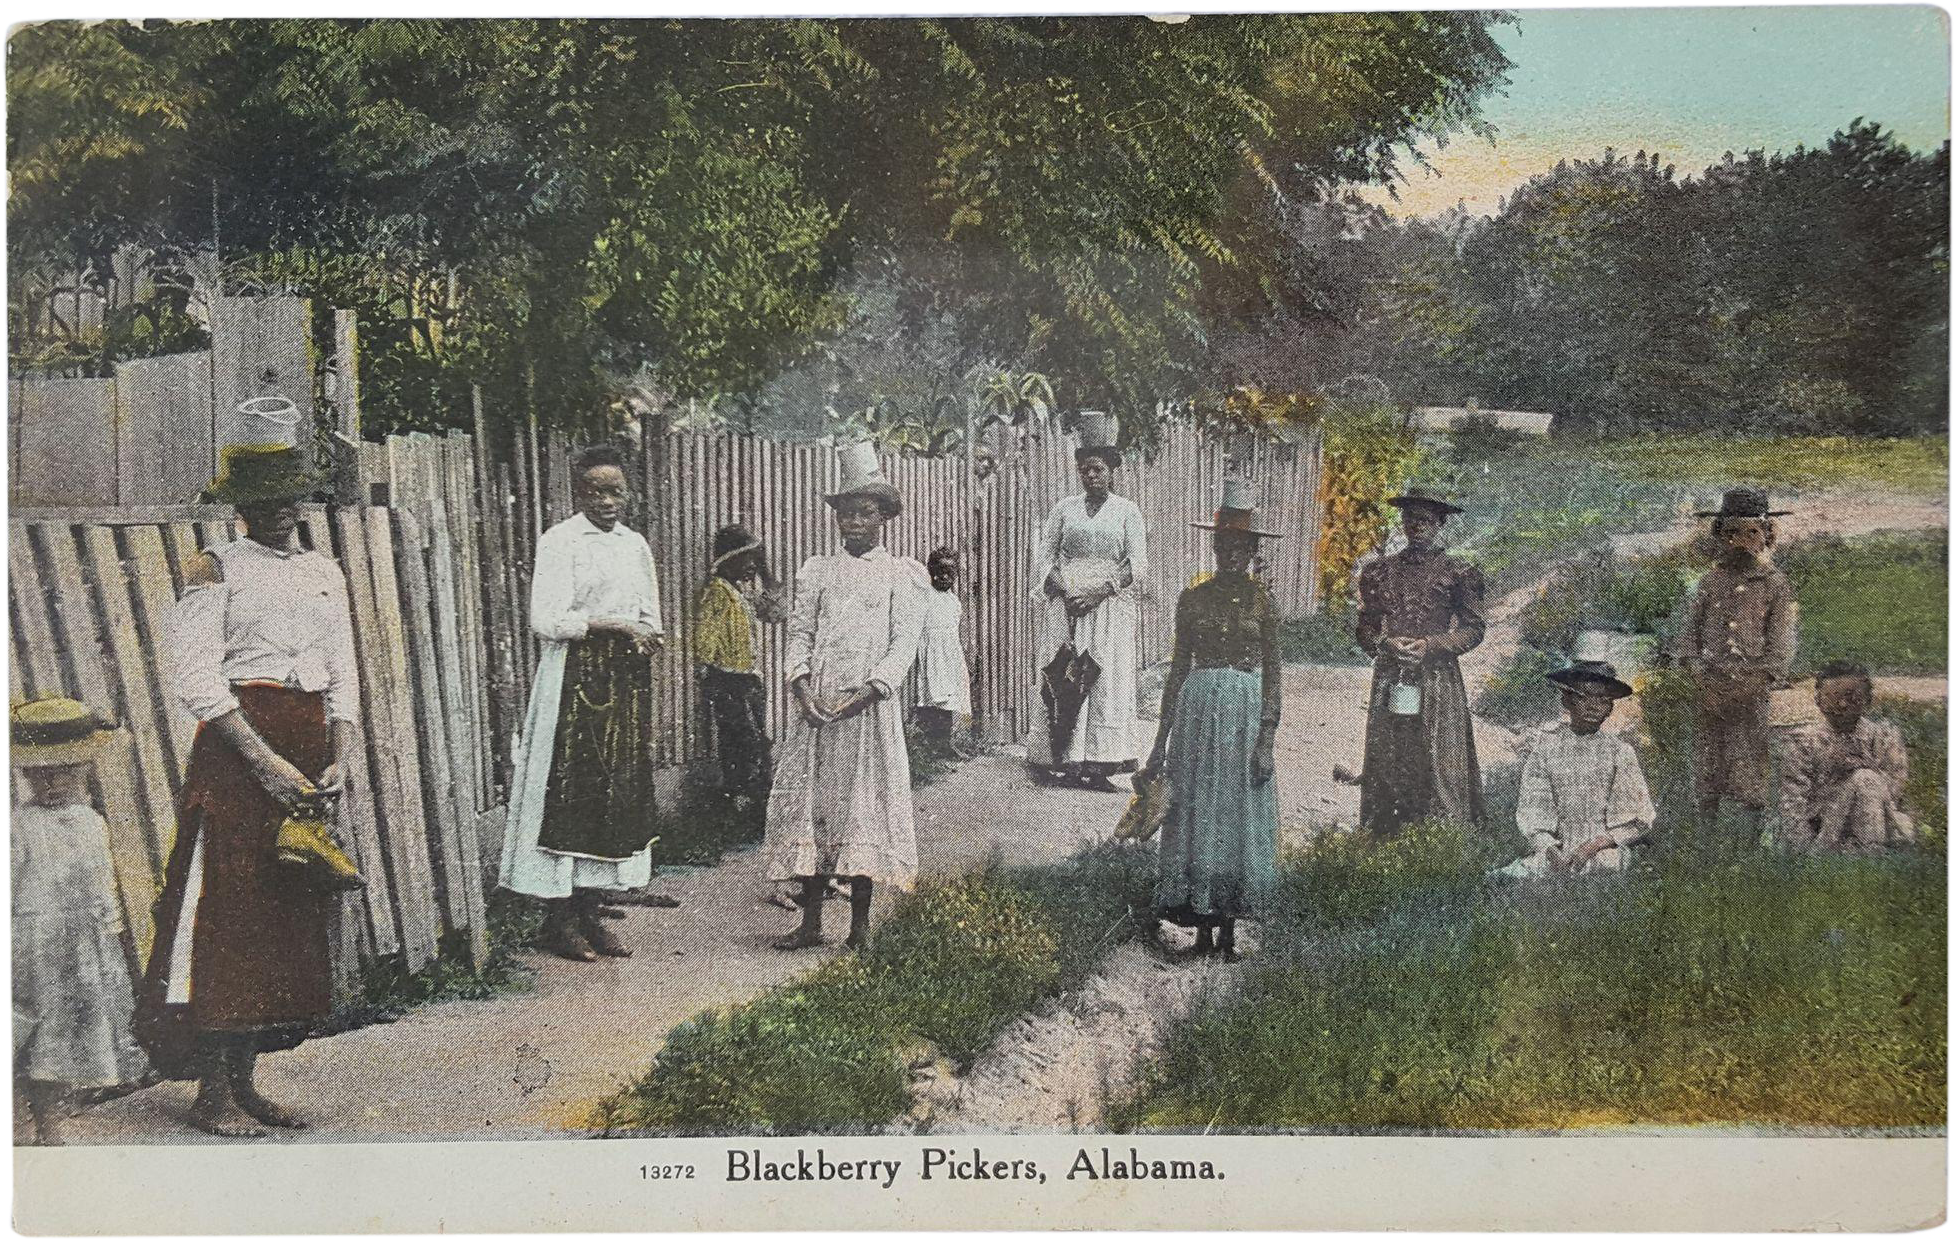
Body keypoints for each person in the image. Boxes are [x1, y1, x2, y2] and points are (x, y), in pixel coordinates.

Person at [138, 443, 359, 1137]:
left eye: (289, 494)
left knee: (280, 915)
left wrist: (340, 756)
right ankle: (212, 1092)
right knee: (228, 915)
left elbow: (342, 672)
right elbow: (197, 679)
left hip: (306, 743)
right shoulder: (216, 568)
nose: (278, 509)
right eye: (263, 498)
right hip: (239, 751)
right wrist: (265, 765)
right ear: (241, 505)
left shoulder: (324, 571)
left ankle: (246, 1083)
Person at [498, 445, 665, 963]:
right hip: (573, 676)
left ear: (628, 493)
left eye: (615, 491)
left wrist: (645, 635)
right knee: (569, 791)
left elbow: (650, 616)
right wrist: (613, 624)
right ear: (578, 492)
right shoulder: (561, 541)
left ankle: (592, 913)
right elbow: (546, 620)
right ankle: (559, 919)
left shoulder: (634, 545)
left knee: (612, 795)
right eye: (595, 491)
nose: (606, 501)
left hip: (623, 682)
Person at [762, 441, 928, 951]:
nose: (855, 522)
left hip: (867, 711)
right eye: (847, 513)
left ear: (884, 517)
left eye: (866, 513)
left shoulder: (901, 574)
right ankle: (811, 923)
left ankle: (859, 928)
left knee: (862, 808)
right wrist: (801, 687)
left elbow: (903, 644)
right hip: (818, 709)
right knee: (815, 807)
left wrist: (871, 691)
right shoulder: (818, 570)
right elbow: (800, 634)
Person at [1142, 480, 1282, 962]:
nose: (1231, 556)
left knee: (1235, 813)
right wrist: (1159, 743)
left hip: (1244, 715)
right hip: (1198, 714)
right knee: (1199, 809)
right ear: (1214, 548)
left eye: (1240, 548)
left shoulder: (1263, 602)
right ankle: (1201, 926)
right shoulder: (1193, 599)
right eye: (1223, 546)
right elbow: (1178, 670)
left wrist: (1266, 740)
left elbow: (1273, 674)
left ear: (1253, 551)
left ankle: (1229, 932)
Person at [10, 699, 150, 1145]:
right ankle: (30, 1120)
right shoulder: (19, 826)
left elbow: (102, 882)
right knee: (33, 1032)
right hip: (36, 945)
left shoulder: (91, 822)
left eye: (63, 772)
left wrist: (109, 927)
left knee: (69, 1032)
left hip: (82, 945)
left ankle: (53, 1117)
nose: (51, 784)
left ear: (85, 769)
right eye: (38, 774)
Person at [1026, 411, 1149, 792]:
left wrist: (1098, 593)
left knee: (1104, 680)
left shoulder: (1127, 511)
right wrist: (1064, 591)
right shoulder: (1064, 509)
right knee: (1063, 674)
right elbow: (1044, 556)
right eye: (1085, 470)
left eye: (1098, 470)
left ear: (1111, 471)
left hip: (1107, 607)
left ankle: (1098, 765)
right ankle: (1062, 758)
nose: (1091, 476)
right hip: (1066, 605)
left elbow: (1137, 564)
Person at [1354, 486, 1486, 837]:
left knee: (1437, 759)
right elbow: (1365, 627)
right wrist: (1384, 643)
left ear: (1440, 523)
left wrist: (1432, 645)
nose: (1417, 526)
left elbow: (1474, 629)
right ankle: (1384, 837)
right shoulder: (1379, 572)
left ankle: (1440, 842)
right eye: (1411, 518)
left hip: (1438, 679)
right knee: (1390, 755)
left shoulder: (1459, 572)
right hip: (1392, 676)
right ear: (1403, 521)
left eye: (1426, 520)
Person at [1675, 487, 1798, 847]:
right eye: (1731, 533)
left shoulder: (1774, 585)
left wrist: (1751, 685)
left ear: (1767, 536)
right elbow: (1688, 637)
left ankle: (1750, 842)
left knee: (1750, 763)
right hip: (1709, 689)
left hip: (1750, 691)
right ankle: (1707, 840)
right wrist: (1700, 678)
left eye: (1751, 532)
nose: (1740, 542)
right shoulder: (1709, 582)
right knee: (1708, 763)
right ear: (1719, 536)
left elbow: (1780, 648)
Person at [1493, 658, 1656, 880]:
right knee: (1506, 877)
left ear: (1610, 708)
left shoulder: (1619, 751)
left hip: (1603, 851)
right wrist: (1550, 850)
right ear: (1567, 701)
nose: (1593, 706)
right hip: (1555, 851)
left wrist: (1592, 846)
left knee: (1602, 870)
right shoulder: (1545, 751)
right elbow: (1533, 812)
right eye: (1582, 697)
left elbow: (1638, 818)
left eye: (1602, 700)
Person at [694, 524, 786, 817]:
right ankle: (742, 800)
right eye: (745, 559)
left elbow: (776, 614)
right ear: (728, 561)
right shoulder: (717, 592)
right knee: (744, 740)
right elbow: (705, 638)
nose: (751, 566)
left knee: (756, 738)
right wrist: (708, 671)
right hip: (728, 679)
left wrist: (767, 575)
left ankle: (754, 802)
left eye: (755, 560)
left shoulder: (741, 593)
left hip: (749, 679)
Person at [1778, 662, 1914, 853]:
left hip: (1879, 819)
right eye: (1832, 698)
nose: (1842, 705)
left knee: (1865, 779)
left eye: (1851, 698)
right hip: (1826, 830)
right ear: (1818, 700)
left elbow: (1895, 790)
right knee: (1864, 779)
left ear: (1867, 700)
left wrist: (1861, 767)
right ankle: (1866, 852)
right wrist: (1803, 850)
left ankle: (1870, 850)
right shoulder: (1804, 741)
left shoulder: (1883, 737)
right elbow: (1793, 800)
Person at [915, 547, 972, 745]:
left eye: (949, 573)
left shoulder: (954, 601)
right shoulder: (925, 597)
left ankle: (945, 744)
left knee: (949, 698)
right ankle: (930, 744)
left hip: (949, 656)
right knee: (932, 697)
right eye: (939, 571)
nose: (944, 577)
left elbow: (954, 631)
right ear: (931, 571)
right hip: (931, 655)